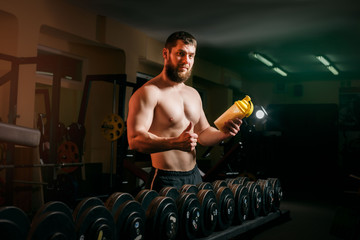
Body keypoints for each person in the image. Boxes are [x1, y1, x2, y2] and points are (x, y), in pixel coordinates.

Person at [127, 31, 242, 192]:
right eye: (181, 54)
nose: (186, 61)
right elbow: (135, 139)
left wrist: (223, 134)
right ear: (166, 54)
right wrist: (175, 142)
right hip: (166, 178)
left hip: (194, 175)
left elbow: (203, 133)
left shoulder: (193, 94)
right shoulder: (149, 92)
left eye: (191, 55)